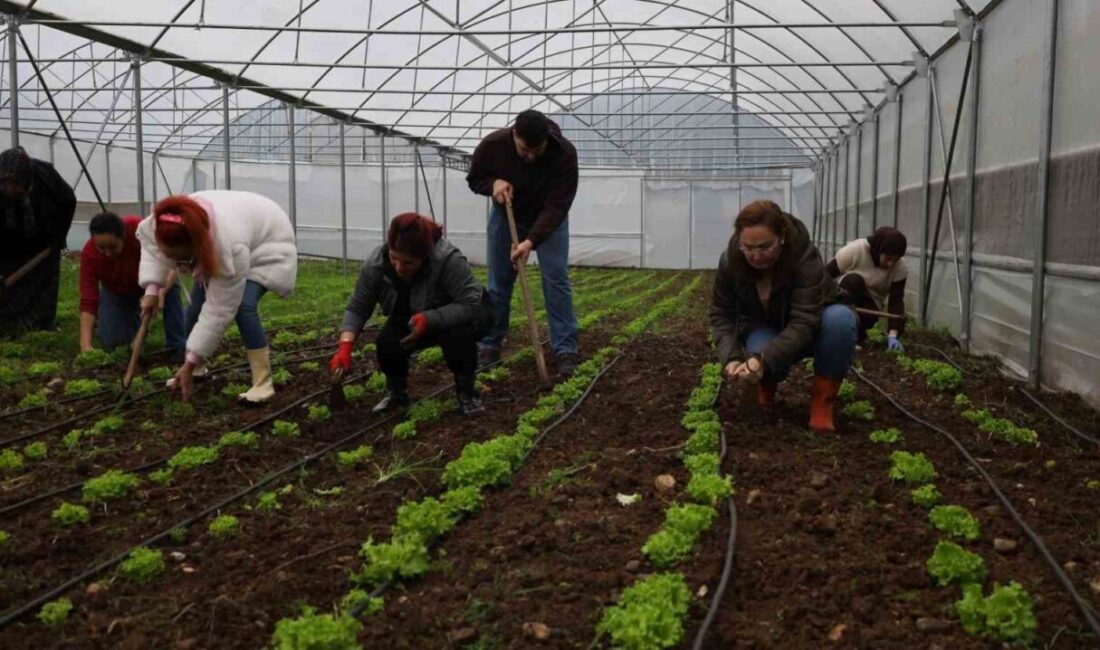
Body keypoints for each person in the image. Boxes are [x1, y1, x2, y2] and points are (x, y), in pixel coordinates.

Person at [710, 200, 857, 434]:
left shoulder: (804, 258)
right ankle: (765, 387)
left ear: (782, 237)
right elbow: (722, 314)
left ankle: (822, 403)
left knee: (840, 320)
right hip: (765, 324)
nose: (756, 256)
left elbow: (805, 319)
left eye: (765, 247)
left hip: (816, 325)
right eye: (748, 248)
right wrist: (731, 357)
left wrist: (763, 358)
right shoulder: (730, 262)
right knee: (762, 354)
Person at [137, 191, 297, 403]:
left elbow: (219, 310)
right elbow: (153, 251)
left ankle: (263, 382)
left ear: (197, 247)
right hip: (234, 234)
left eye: (181, 259)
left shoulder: (230, 246)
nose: (177, 264)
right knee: (195, 309)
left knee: (243, 307)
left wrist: (189, 361)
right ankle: (197, 368)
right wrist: (151, 290)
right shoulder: (162, 224)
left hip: (268, 243)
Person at [330, 213, 492, 417]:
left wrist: (430, 319)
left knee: (457, 336)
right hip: (412, 313)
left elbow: (470, 303)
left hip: (461, 313)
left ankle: (467, 392)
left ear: (424, 257)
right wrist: (345, 346)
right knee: (388, 343)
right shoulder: (376, 263)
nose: (399, 267)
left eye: (408, 263)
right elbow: (358, 307)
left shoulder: (447, 260)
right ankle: (397, 393)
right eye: (394, 258)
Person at [466, 109, 580, 377]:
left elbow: (558, 206)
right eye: (524, 149)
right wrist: (493, 184)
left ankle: (566, 349)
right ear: (514, 134)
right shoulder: (493, 145)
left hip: (549, 221)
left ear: (547, 139)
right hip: (506, 217)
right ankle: (489, 346)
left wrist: (530, 242)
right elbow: (474, 179)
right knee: (499, 281)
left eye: (536, 150)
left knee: (556, 280)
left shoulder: (564, 154)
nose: (530, 156)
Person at [79, 212, 186, 359]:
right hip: (117, 291)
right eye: (101, 248)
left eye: (112, 247)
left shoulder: (139, 230)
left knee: (170, 288)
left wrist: (159, 291)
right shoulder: (89, 255)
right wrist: (85, 345)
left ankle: (177, 345)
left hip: (152, 280)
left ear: (123, 237)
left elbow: (169, 260)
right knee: (113, 342)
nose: (107, 253)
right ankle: (136, 331)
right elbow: (88, 300)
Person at [0, 146, 76, 336]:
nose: (9, 189)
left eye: (14, 184)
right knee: (8, 287)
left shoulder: (46, 177)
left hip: (45, 242)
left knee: (44, 286)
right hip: (9, 243)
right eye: (4, 184)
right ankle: (9, 325)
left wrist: (59, 238)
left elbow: (69, 201)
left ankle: (41, 325)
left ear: (26, 179)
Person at [827, 227, 909, 351]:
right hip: (843, 294)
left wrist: (893, 335)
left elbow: (896, 301)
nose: (891, 264)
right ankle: (835, 331)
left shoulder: (900, 268)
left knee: (870, 314)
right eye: (888, 258)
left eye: (896, 260)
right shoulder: (855, 250)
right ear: (878, 250)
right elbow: (826, 275)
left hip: (871, 301)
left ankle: (852, 338)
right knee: (854, 281)